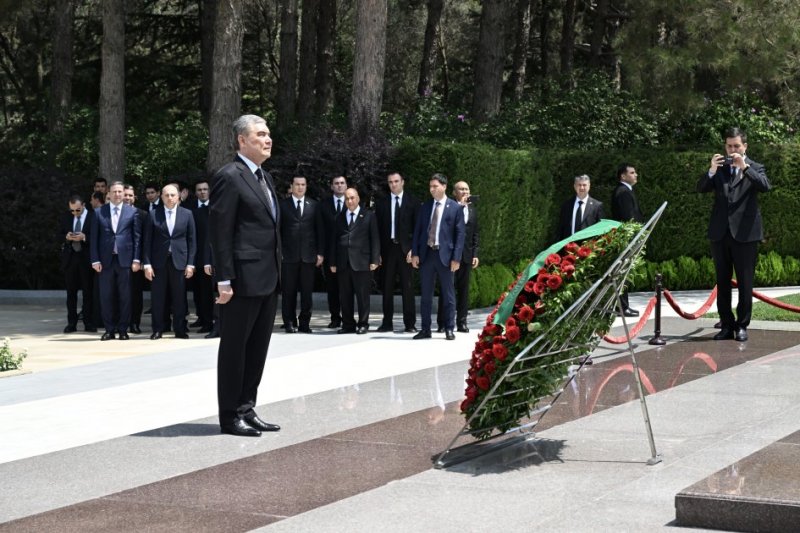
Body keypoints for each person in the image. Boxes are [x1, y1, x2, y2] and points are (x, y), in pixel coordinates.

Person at [209, 114, 282, 437]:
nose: (267, 139)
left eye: (268, 134)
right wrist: (223, 279)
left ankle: (246, 408)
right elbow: (220, 232)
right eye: (260, 134)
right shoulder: (230, 176)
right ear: (242, 140)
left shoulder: (265, 177)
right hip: (240, 280)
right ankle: (229, 416)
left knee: (257, 349)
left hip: (267, 277)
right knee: (235, 349)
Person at [697, 127, 770, 342]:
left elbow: (765, 186)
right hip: (720, 234)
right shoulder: (719, 168)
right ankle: (726, 325)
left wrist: (744, 167)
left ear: (744, 146)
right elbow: (701, 188)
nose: (732, 149)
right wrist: (711, 170)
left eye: (736, 146)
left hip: (746, 235)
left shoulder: (755, 167)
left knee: (745, 282)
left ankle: (742, 325)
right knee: (723, 281)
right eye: (729, 146)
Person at [411, 173, 465, 340]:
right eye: (430, 186)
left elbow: (460, 234)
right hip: (427, 255)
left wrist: (456, 258)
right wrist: (415, 253)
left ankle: (449, 328)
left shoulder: (455, 208)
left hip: (446, 257)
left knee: (448, 295)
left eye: (435, 186)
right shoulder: (425, 206)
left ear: (444, 186)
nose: (432, 189)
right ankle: (425, 329)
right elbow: (418, 231)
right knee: (426, 295)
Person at [143, 184, 196, 339]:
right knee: (158, 297)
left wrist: (191, 264)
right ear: (162, 197)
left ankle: (179, 329)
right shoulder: (153, 214)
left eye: (173, 195)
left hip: (180, 262)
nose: (170, 198)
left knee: (179, 298)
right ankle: (158, 329)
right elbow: (147, 242)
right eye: (166, 195)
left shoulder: (187, 214)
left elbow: (192, 241)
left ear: (179, 196)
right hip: (158, 263)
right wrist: (147, 264)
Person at [90, 181, 141, 340]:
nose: (118, 194)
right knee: (106, 296)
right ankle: (109, 329)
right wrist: (95, 260)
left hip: (125, 261)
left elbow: (137, 238)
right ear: (109, 194)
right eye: (115, 192)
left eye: (120, 191)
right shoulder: (99, 212)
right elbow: (94, 239)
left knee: (125, 296)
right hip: (105, 261)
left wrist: (136, 259)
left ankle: (123, 329)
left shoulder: (132, 212)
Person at [329, 188, 380, 334]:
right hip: (343, 262)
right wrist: (332, 262)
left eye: (352, 198)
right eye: (347, 199)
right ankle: (348, 324)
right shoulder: (339, 217)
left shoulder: (369, 216)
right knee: (345, 296)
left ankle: (363, 323)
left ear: (358, 198)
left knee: (363, 295)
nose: (350, 201)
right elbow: (334, 241)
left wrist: (375, 259)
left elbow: (374, 239)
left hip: (362, 262)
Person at [375, 172, 420, 333]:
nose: (393, 184)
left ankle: (410, 323)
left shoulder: (413, 202)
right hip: (388, 250)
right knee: (386, 287)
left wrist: (414, 250)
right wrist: (377, 252)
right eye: (390, 182)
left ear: (403, 182)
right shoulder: (381, 203)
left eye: (396, 181)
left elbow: (418, 229)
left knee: (408, 287)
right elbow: (377, 231)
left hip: (406, 251)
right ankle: (387, 322)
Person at [279, 176, 325, 333]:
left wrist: (320, 253)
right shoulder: (282, 205)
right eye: (297, 184)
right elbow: (277, 231)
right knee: (288, 292)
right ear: (291, 186)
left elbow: (319, 230)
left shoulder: (313, 205)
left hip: (308, 256)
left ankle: (305, 323)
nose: (300, 187)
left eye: (303, 185)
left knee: (307, 293)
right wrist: (279, 252)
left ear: (306, 186)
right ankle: (289, 322)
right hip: (288, 256)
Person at [437, 181, 479, 333]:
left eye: (467, 189)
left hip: (466, 256)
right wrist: (459, 208)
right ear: (454, 193)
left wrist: (475, 254)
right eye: (461, 189)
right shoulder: (448, 207)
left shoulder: (472, 210)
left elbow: (475, 234)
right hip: (449, 256)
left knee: (463, 290)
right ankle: (442, 322)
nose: (465, 192)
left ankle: (462, 322)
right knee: (447, 289)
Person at [611, 163, 645, 317]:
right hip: (627, 240)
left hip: (627, 239)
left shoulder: (624, 191)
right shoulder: (623, 192)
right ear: (623, 176)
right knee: (623, 274)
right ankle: (622, 307)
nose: (636, 174)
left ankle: (623, 306)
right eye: (632, 172)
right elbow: (628, 218)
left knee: (624, 273)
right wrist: (636, 235)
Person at [59, 194, 96, 333]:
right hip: (71, 258)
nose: (74, 213)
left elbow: (99, 237)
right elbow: (58, 234)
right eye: (72, 210)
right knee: (71, 293)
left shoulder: (93, 217)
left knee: (88, 292)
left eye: (77, 210)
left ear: (84, 205)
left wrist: (84, 237)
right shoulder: (66, 217)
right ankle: (71, 323)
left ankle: (88, 322)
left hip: (86, 258)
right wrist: (66, 237)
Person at [319, 175, 348, 328]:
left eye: (342, 183)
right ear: (331, 186)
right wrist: (321, 253)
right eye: (336, 183)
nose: (339, 186)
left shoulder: (353, 204)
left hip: (348, 253)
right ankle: (335, 317)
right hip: (330, 253)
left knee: (347, 287)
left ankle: (348, 318)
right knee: (332, 288)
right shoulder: (323, 206)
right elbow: (320, 231)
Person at [189, 179, 214, 333]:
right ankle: (201, 317)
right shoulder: (189, 209)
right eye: (199, 190)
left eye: (205, 189)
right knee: (198, 291)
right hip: (195, 257)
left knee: (208, 292)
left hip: (212, 257)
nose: (202, 192)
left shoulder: (216, 207)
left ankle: (209, 321)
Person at [123, 184, 147, 333]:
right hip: (117, 261)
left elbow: (145, 239)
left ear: (135, 197)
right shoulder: (113, 214)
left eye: (130, 195)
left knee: (135, 294)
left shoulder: (143, 214)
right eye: (125, 195)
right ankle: (121, 323)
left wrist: (143, 260)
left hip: (136, 262)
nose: (127, 198)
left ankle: (134, 323)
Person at [556, 174, 604, 241]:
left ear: (589, 186)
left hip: (588, 248)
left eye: (584, 185)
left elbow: (600, 230)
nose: (581, 188)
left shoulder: (597, 206)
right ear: (574, 186)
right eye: (579, 185)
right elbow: (561, 229)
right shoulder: (566, 205)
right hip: (568, 247)